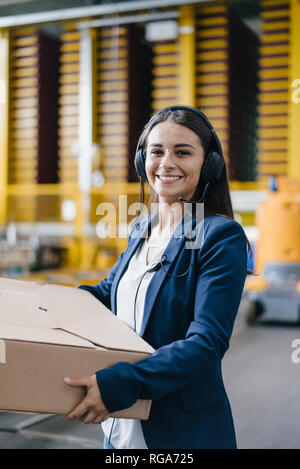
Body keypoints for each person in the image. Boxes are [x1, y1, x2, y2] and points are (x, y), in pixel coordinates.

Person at [64, 105, 249, 449]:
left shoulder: (220, 237)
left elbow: (206, 345)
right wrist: (49, 304)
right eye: (156, 151)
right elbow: (111, 293)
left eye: (183, 152)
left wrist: (122, 382)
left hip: (179, 432)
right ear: (142, 161)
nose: (166, 163)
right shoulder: (142, 228)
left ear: (208, 164)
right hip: (121, 429)